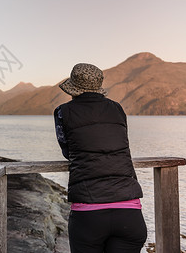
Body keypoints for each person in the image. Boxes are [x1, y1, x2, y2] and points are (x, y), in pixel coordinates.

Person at [54, 63, 147, 253]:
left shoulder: (63, 112)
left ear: (73, 89)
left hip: (89, 214)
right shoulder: (117, 108)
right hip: (130, 213)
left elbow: (68, 150)